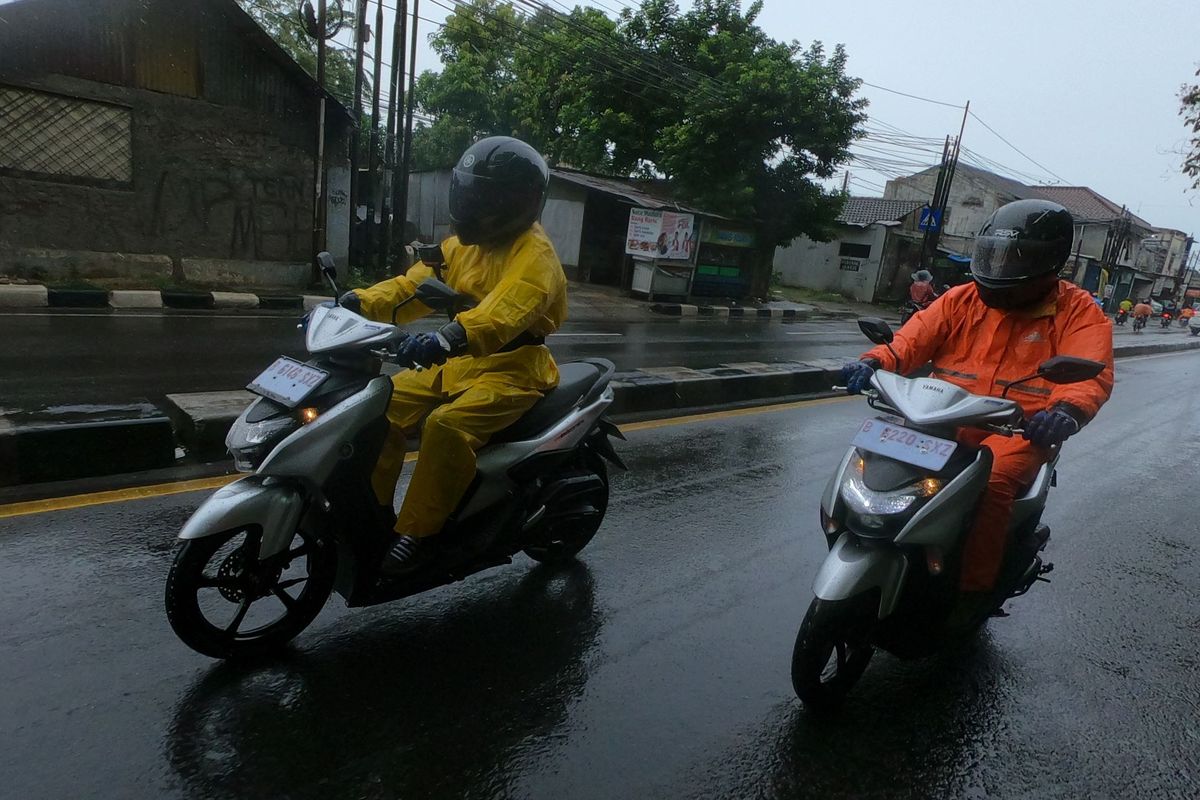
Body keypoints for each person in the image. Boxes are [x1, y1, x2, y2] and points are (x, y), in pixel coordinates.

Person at [841, 198, 1114, 623]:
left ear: (1050, 263)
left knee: (993, 483)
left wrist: (1066, 411)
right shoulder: (961, 299)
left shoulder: (1078, 311)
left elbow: (1090, 373)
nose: (1002, 266)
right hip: (938, 417)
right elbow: (912, 341)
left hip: (1019, 430)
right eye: (996, 255)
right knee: (875, 456)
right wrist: (873, 361)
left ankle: (971, 593)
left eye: (1017, 258)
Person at [338, 136, 567, 575]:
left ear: (516, 203)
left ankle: (418, 534)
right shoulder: (462, 246)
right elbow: (413, 286)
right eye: (469, 193)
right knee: (374, 407)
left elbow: (506, 311)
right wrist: (359, 303)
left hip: (513, 371)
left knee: (444, 427)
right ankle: (372, 513)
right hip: (458, 363)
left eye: (483, 198)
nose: (471, 205)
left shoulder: (535, 257)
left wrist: (450, 337)